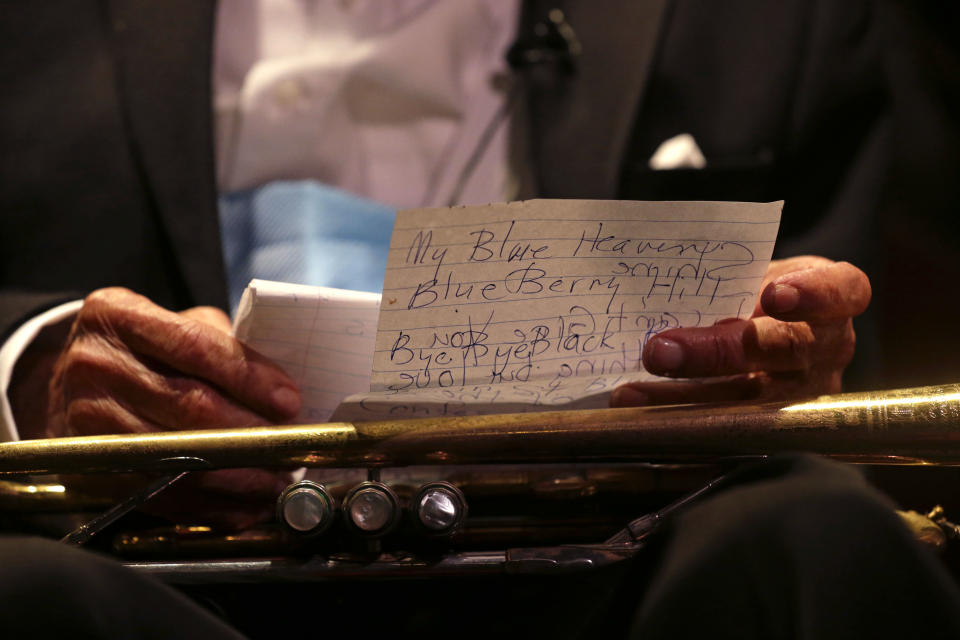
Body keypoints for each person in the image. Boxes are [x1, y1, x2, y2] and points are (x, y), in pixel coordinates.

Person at [0, 0, 958, 635]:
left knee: (817, 538)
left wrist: (781, 356)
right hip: (148, 572)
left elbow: (826, 336)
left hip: (599, 581)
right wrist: (34, 367)